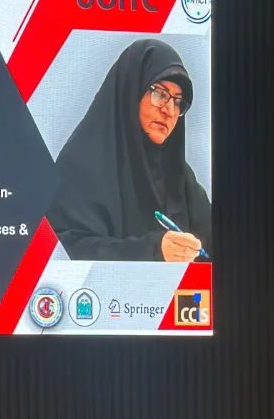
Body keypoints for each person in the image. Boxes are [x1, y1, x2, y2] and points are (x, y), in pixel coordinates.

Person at [46, 38, 212, 261]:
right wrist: (154, 250)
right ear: (131, 92)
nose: (170, 111)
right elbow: (66, 252)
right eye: (160, 94)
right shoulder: (81, 164)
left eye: (178, 101)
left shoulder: (178, 175)